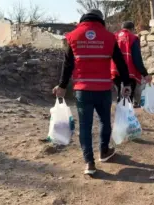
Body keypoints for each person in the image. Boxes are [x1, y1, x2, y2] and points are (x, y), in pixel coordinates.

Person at [52, 9, 131, 175]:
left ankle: (89, 163)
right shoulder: (109, 37)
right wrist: (126, 83)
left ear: (83, 19)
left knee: (85, 126)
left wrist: (62, 86)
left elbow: (67, 65)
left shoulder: (73, 36)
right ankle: (104, 152)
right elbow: (120, 62)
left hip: (82, 90)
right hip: (103, 89)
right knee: (104, 122)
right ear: (101, 20)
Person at [111, 21, 152, 107]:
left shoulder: (113, 37)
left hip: (115, 71)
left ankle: (120, 118)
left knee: (120, 96)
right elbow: (137, 58)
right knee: (127, 100)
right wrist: (144, 73)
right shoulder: (132, 38)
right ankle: (125, 119)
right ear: (132, 29)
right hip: (128, 73)